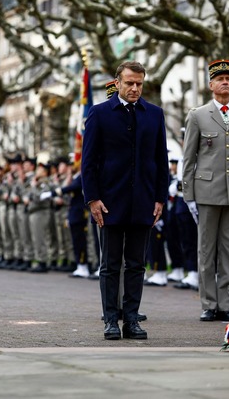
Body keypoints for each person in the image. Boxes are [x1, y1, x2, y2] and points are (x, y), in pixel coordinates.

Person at [82, 61, 168, 340]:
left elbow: (160, 160)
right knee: (109, 264)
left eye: (139, 84)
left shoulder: (154, 114)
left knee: (136, 263)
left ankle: (131, 319)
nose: (134, 88)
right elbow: (89, 162)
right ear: (117, 82)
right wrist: (93, 199)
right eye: (129, 83)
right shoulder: (100, 114)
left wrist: (160, 198)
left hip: (143, 200)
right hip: (109, 202)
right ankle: (110, 319)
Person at [182, 59, 229, 322]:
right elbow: (189, 157)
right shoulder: (197, 115)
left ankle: (225, 302)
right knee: (206, 249)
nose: (225, 82)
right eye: (220, 79)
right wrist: (189, 195)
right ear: (211, 85)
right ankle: (208, 303)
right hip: (206, 191)